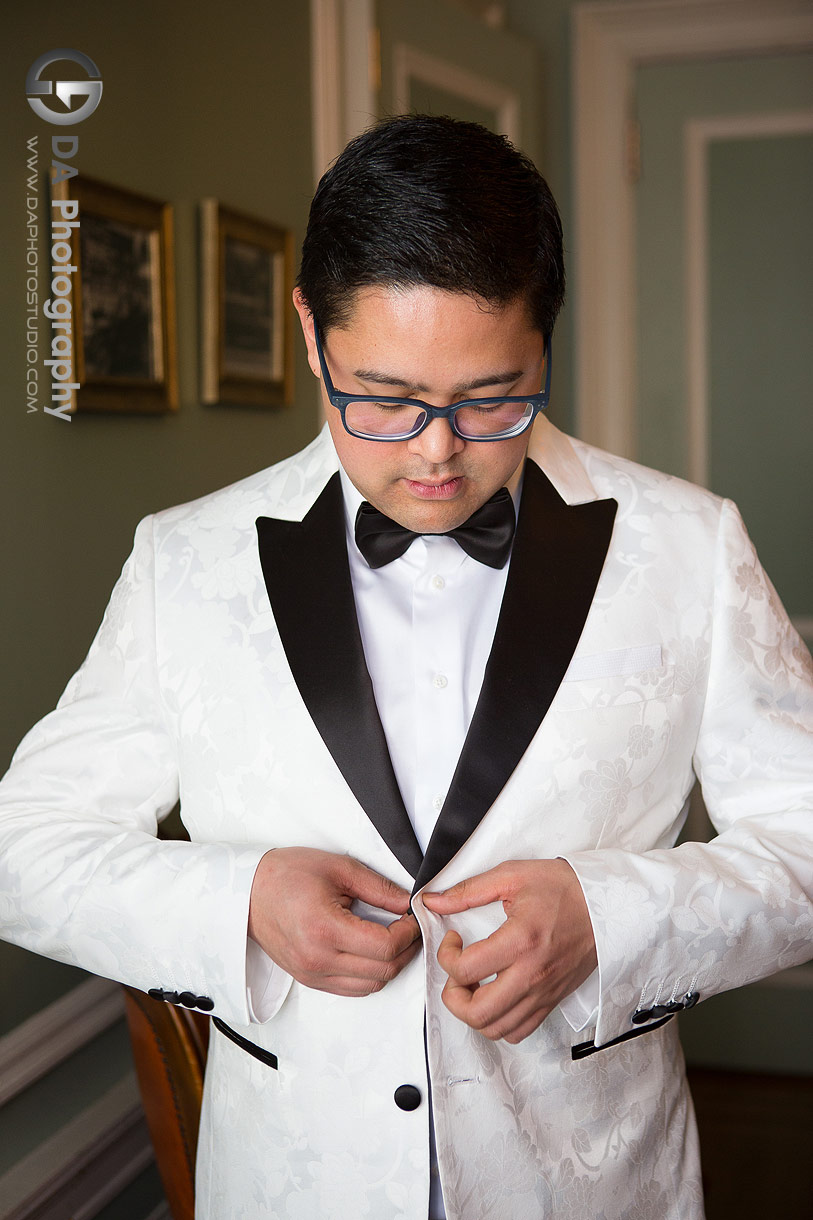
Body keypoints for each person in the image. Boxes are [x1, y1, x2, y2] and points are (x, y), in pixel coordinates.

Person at [1, 114, 811, 1220]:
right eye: (381, 395)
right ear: (307, 329)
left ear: (548, 342)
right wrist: (239, 899)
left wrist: (609, 917)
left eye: (492, 396)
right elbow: (24, 848)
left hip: (588, 1179)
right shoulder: (181, 562)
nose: (437, 450)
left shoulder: (691, 545)